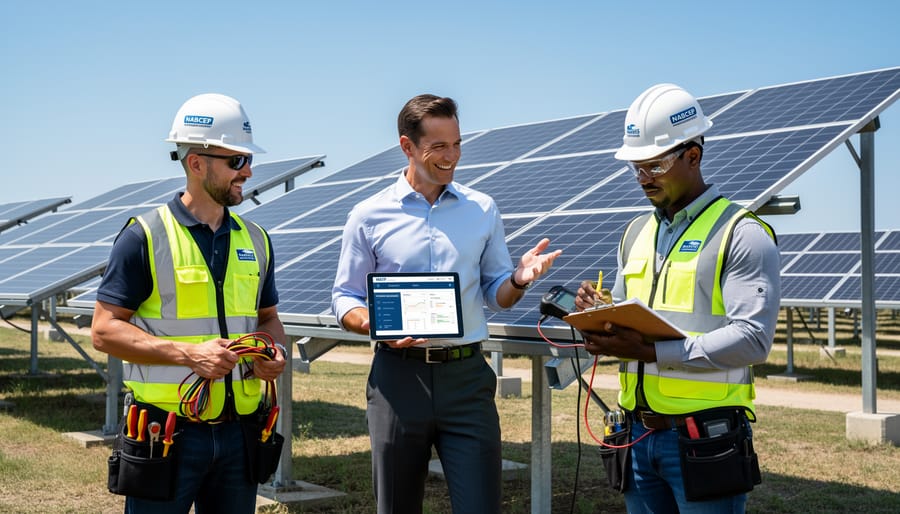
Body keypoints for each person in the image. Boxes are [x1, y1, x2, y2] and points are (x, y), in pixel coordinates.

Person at [332, 94, 562, 514]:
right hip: (397, 379)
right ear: (407, 146)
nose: (451, 156)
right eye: (438, 146)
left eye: (456, 144)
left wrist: (518, 280)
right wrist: (375, 323)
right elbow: (345, 297)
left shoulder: (482, 209)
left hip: (467, 379)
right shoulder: (368, 215)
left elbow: (497, 294)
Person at [574, 84, 780, 513]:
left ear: (693, 156)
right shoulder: (635, 233)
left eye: (655, 165)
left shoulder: (741, 233)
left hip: (704, 438)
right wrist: (599, 316)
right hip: (636, 434)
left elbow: (753, 338)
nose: (643, 178)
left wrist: (654, 351)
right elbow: (632, 316)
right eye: (636, 166)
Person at [91, 93, 287, 514]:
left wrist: (275, 351)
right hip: (166, 434)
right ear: (196, 163)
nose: (248, 172)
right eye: (236, 161)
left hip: (240, 436)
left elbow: (268, 318)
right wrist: (188, 354)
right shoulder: (144, 236)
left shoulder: (256, 239)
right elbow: (104, 330)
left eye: (247, 160)